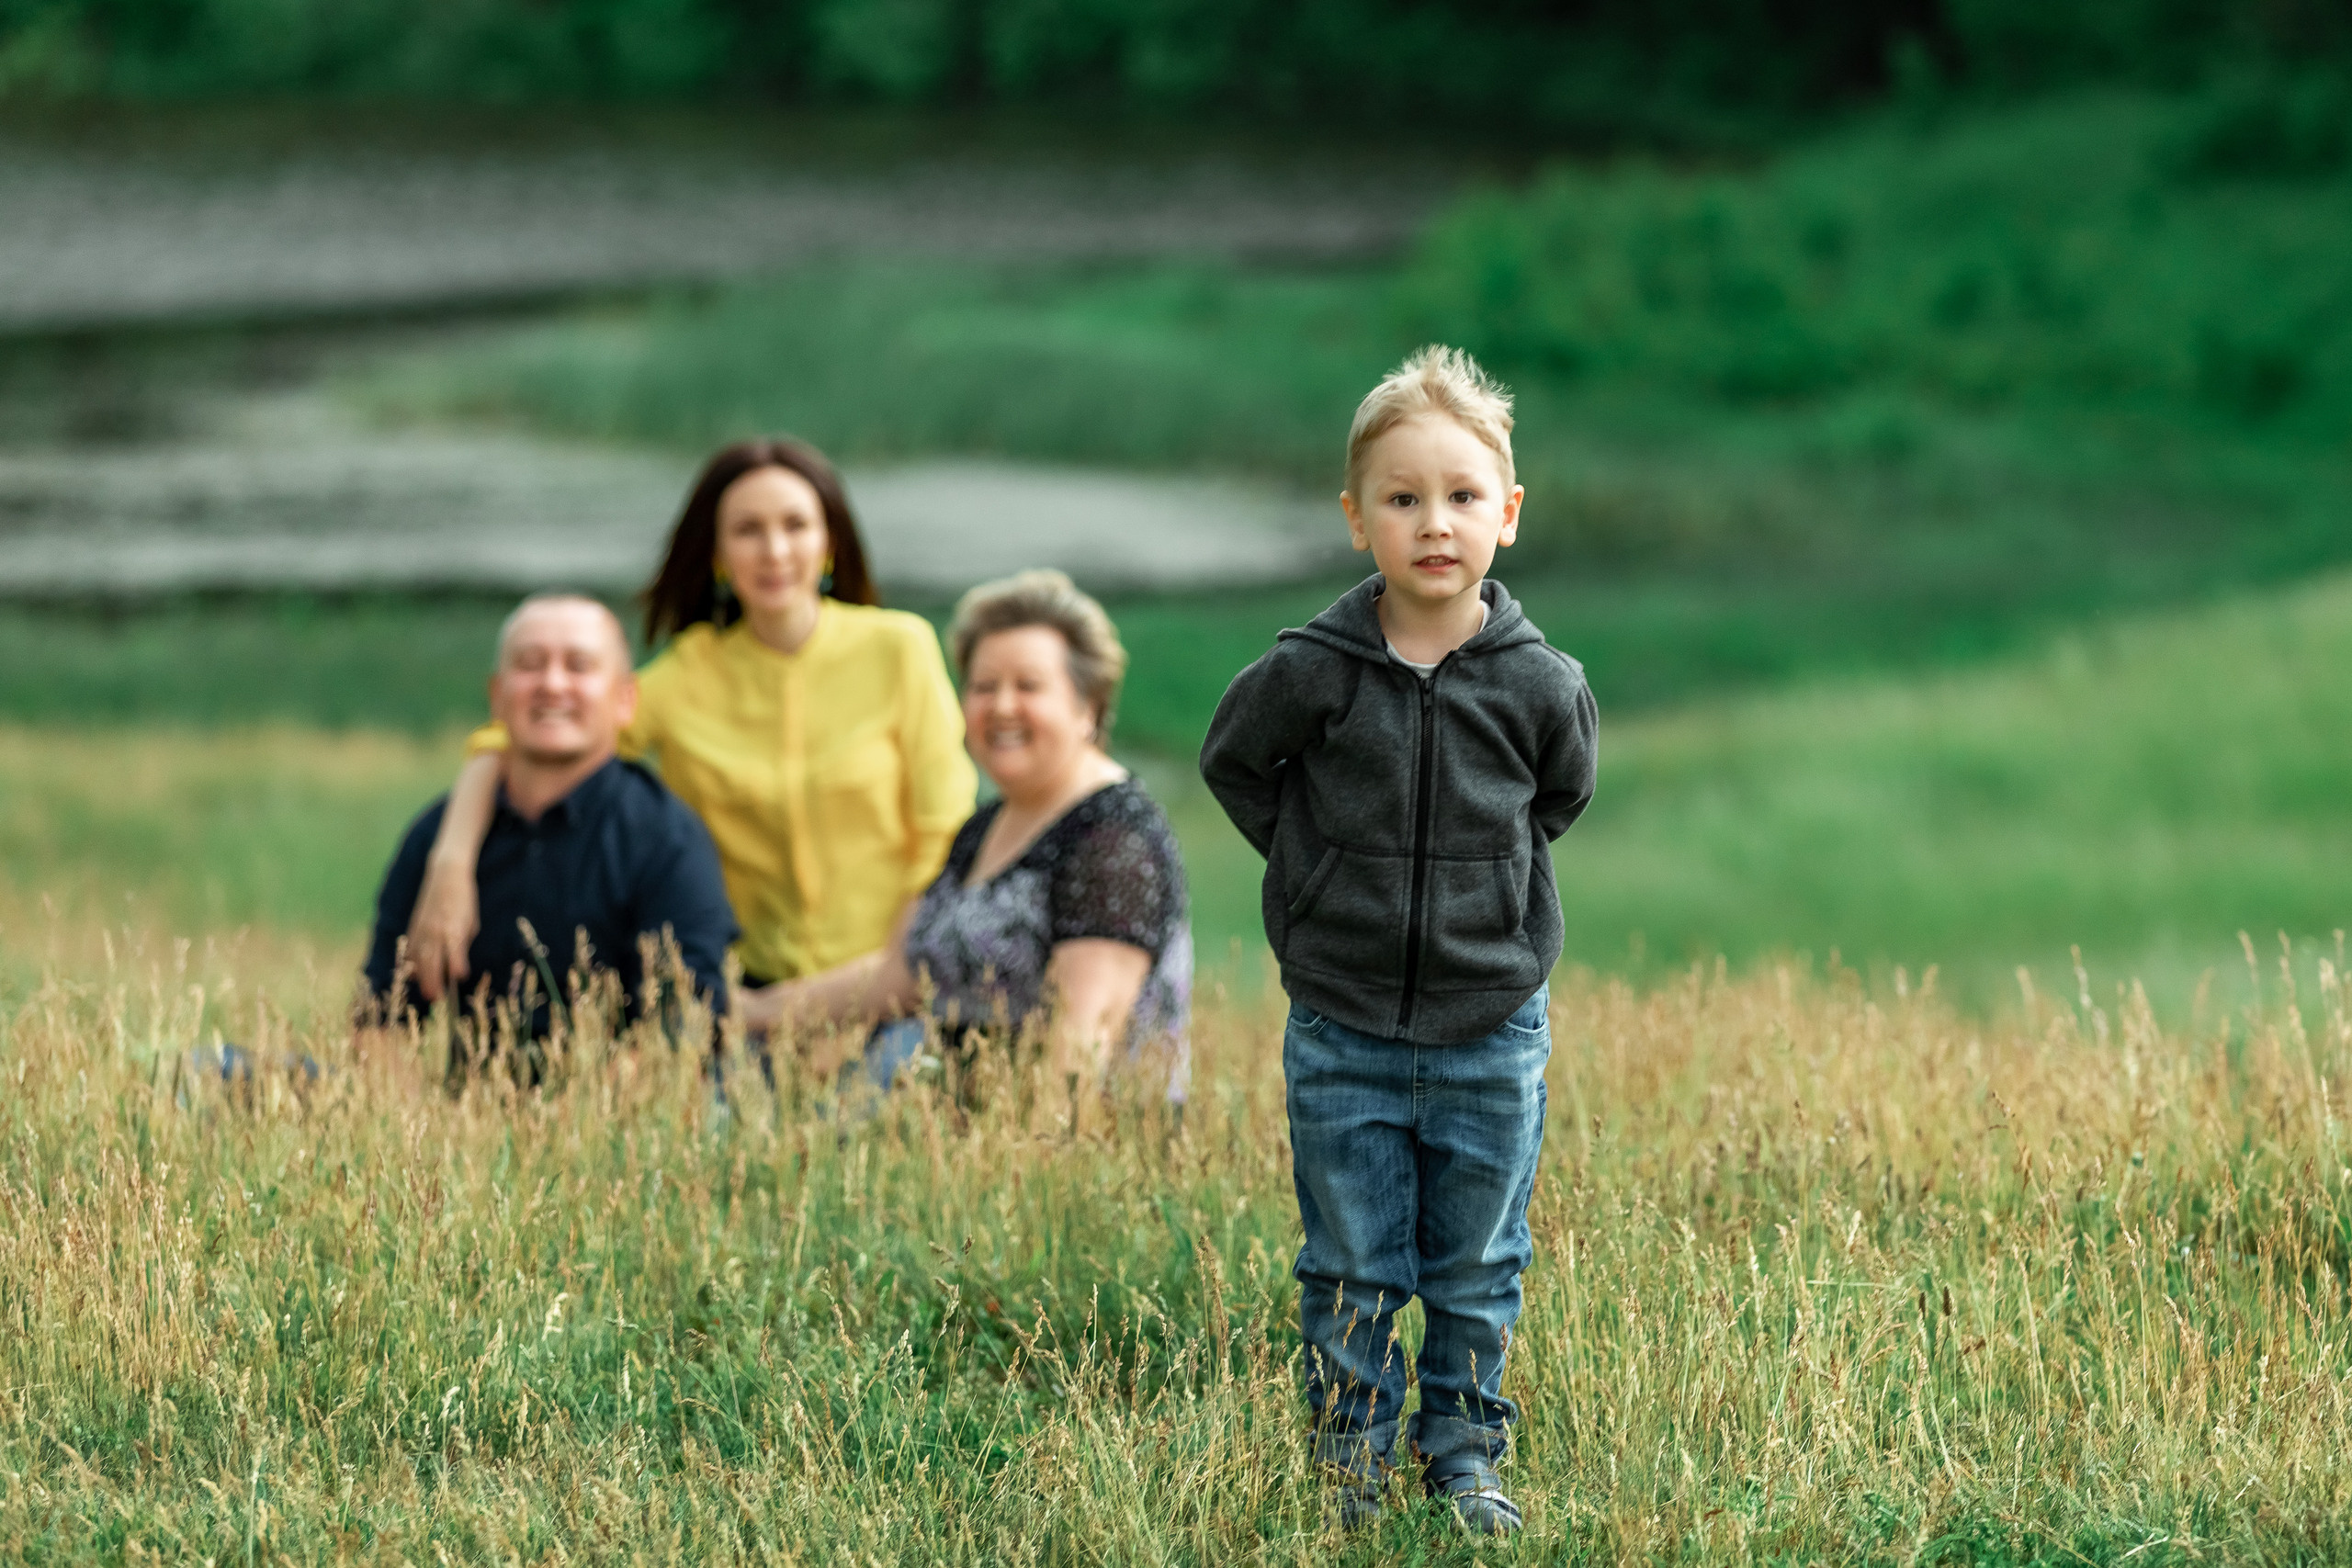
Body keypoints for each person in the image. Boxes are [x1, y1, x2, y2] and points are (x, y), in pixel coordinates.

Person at [1198, 346, 1599, 1534]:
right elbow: (1234, 764)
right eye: (1404, 498)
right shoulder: (1311, 670)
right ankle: (1351, 1471)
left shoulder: (1540, 683)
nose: (1436, 522)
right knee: (1353, 1264)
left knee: (1476, 1264)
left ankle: (1463, 1455)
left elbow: (1558, 800)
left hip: (1490, 1026)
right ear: (1357, 518)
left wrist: (1490, 892)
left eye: (1464, 496)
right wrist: (1319, 869)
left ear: (1508, 515)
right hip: (1344, 1024)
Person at [402, 437, 978, 1005]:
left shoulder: (901, 649)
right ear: (717, 554)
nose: (774, 550)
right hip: (742, 997)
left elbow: (943, 833)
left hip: (895, 982)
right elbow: (526, 739)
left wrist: (872, 993)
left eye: (796, 525)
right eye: (748, 530)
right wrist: (451, 863)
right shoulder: (684, 676)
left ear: (829, 542)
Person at [741, 570, 1189, 1105]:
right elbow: (902, 976)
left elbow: (1083, 1041)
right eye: (983, 686)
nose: (1001, 706)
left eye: (1028, 686)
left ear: (1086, 707)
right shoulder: (986, 826)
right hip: (962, 1145)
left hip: (1078, 1158)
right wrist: (757, 1011)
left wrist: (1026, 1171)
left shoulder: (1113, 840)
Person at [361, 594, 739, 1077]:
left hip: (607, 1126)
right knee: (234, 1071)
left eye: (579, 666)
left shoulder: (668, 840)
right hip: (456, 1124)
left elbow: (685, 1031)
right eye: (530, 665)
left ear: (626, 700)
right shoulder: (438, 834)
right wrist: (425, 1131)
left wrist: (548, 1130)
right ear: (496, 696)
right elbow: (379, 1018)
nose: (553, 684)